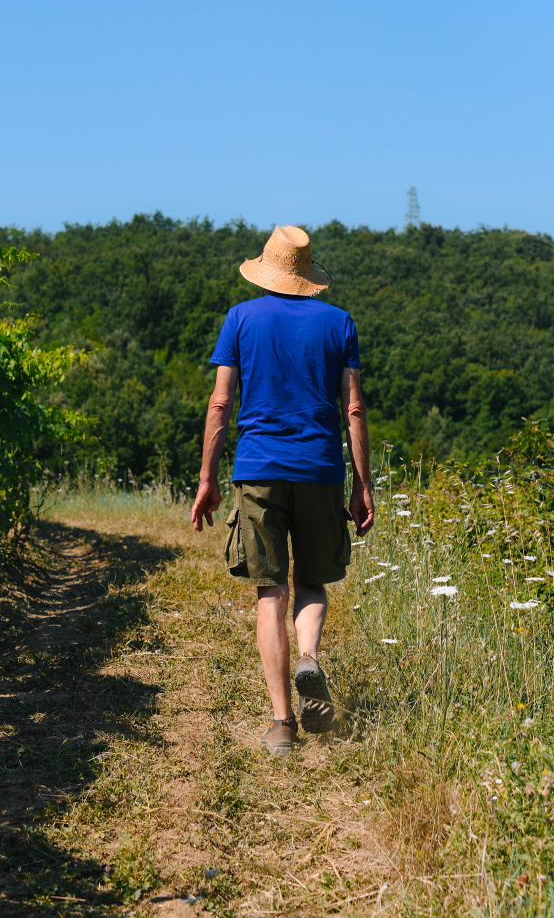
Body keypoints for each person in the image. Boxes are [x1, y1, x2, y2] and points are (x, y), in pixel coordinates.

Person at [190, 225, 375, 755]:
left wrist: (207, 479)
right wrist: (363, 485)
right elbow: (354, 408)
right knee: (313, 582)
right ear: (308, 272)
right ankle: (309, 659)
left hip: (259, 470)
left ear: (268, 268)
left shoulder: (241, 318)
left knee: (270, 592)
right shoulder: (339, 323)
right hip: (320, 469)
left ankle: (280, 725)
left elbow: (221, 404)